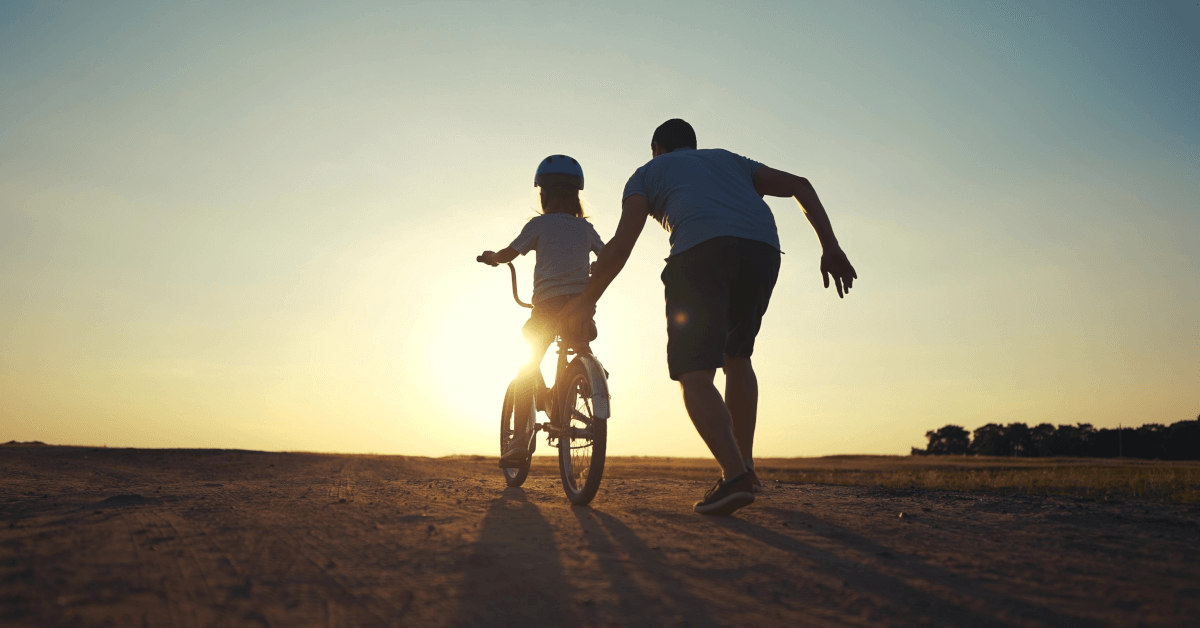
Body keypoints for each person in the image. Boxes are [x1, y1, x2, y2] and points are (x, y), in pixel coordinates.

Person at [564, 119, 857, 515]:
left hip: (700, 254)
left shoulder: (646, 174)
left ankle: (734, 476)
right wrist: (831, 247)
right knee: (738, 357)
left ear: (657, 149)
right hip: (762, 249)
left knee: (694, 373)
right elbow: (800, 185)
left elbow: (620, 248)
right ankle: (746, 469)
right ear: (693, 146)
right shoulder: (730, 161)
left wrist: (585, 301)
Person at [479, 155, 605, 465]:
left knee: (528, 363)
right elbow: (606, 254)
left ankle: (521, 441)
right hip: (580, 311)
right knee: (580, 342)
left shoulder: (539, 224)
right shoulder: (585, 229)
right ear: (577, 196)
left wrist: (493, 257)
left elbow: (511, 252)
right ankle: (582, 379)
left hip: (547, 310)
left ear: (543, 194)